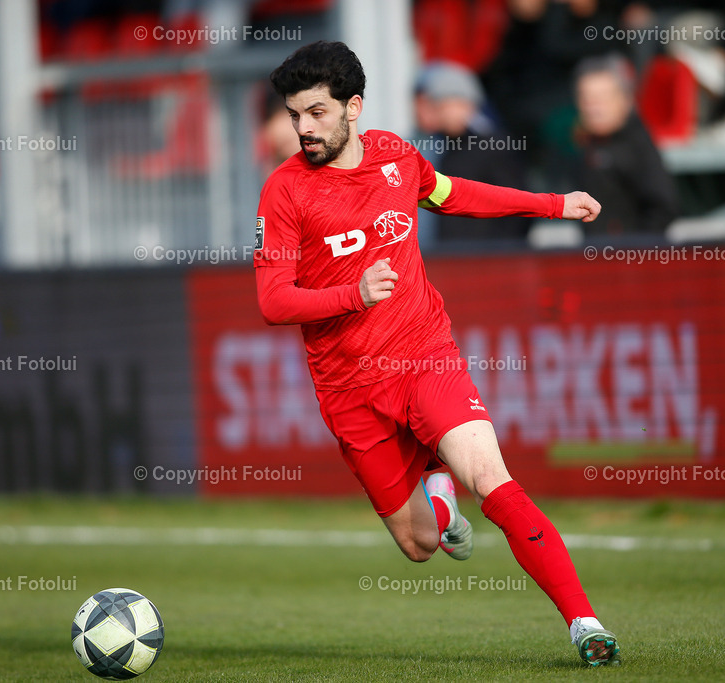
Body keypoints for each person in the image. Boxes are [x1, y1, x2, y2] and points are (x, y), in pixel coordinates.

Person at [253, 40, 620, 667]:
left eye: (317, 113)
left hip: (423, 352)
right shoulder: (284, 192)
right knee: (421, 545)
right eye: (295, 115)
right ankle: (436, 490)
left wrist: (553, 204)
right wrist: (353, 293)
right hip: (348, 388)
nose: (303, 128)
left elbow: (456, 194)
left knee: (493, 480)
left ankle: (585, 623)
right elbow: (274, 300)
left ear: (353, 107)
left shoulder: (396, 156)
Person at [413, 61, 531, 245]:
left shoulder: (493, 146)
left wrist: (501, 253)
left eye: (443, 106)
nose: (437, 114)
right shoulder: (439, 146)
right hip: (451, 258)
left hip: (486, 260)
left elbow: (518, 209)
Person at [574, 53, 679, 236]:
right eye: (586, 98)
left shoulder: (637, 145)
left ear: (625, 99)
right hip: (593, 256)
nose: (593, 107)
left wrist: (632, 253)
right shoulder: (586, 142)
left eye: (602, 97)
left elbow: (663, 207)